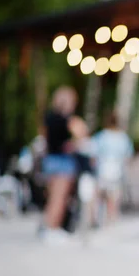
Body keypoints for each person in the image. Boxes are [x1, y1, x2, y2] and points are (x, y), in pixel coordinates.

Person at [40, 86, 86, 243]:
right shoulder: (69, 120)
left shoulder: (49, 118)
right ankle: (53, 229)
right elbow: (81, 136)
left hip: (50, 160)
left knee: (52, 197)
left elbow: (45, 140)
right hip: (63, 162)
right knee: (59, 198)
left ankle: (48, 227)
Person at [92, 111, 134, 225]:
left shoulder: (101, 136)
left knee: (99, 195)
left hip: (103, 169)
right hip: (117, 170)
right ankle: (110, 219)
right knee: (113, 197)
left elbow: (93, 154)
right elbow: (128, 156)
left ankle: (96, 218)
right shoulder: (123, 138)